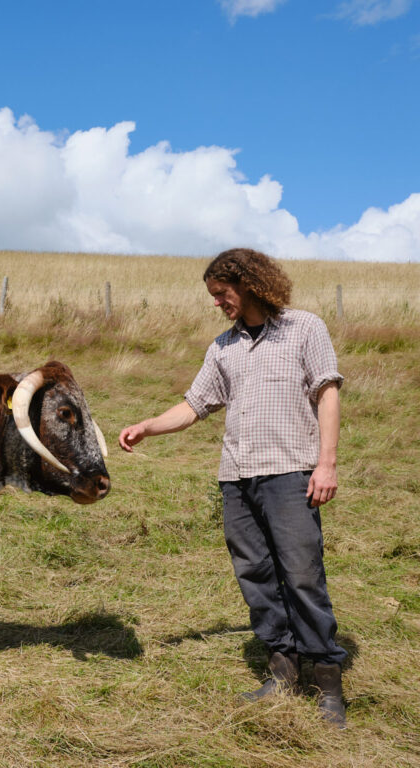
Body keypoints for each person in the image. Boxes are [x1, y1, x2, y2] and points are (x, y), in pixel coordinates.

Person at [118, 248, 348, 728]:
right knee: (256, 576)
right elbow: (194, 404)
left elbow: (327, 393)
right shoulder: (222, 347)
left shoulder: (305, 328)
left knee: (302, 574)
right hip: (236, 478)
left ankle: (327, 679)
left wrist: (326, 464)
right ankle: (283, 672)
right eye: (214, 296)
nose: (218, 303)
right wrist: (148, 426)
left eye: (222, 294)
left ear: (248, 283)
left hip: (291, 473)